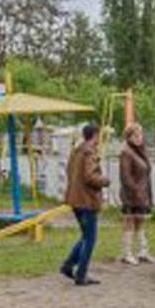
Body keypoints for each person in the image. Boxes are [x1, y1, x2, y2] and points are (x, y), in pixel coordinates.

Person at [61, 123, 111, 286]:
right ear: (95, 136)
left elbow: (69, 171)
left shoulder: (76, 152)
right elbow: (90, 176)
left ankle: (68, 265)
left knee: (85, 236)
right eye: (100, 136)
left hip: (75, 199)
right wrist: (104, 181)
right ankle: (81, 275)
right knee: (90, 239)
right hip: (87, 201)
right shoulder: (89, 152)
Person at [118, 122, 153, 264]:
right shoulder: (126, 152)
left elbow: (146, 173)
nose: (139, 138)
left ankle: (143, 251)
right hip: (131, 194)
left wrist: (146, 194)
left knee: (140, 221)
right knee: (129, 221)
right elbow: (125, 177)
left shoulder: (140, 151)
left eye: (141, 134)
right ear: (129, 137)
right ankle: (126, 253)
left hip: (143, 192)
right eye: (136, 135)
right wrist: (135, 192)